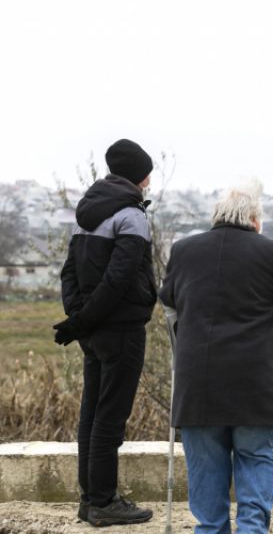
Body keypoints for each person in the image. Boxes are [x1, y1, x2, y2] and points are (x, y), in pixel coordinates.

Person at [158, 181, 273, 533]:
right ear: (255, 220)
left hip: (197, 387)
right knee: (257, 459)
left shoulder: (183, 251)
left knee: (206, 478)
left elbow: (168, 299)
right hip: (253, 387)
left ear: (216, 217)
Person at [55, 138, 157, 526]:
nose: (149, 182)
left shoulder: (89, 214)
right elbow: (120, 279)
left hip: (93, 332)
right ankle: (103, 501)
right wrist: (86, 320)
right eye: (148, 174)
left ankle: (89, 499)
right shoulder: (131, 216)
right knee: (111, 417)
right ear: (139, 175)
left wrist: (79, 320)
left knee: (92, 414)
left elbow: (69, 273)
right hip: (123, 330)